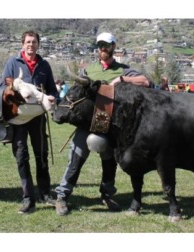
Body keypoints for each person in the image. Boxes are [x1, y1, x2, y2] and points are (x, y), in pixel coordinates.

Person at [54, 32, 151, 216]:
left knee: (109, 161)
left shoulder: (122, 69)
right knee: (76, 158)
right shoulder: (88, 71)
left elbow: (145, 81)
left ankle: (107, 194)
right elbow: (75, 92)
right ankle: (62, 196)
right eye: (100, 45)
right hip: (86, 124)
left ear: (113, 46)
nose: (102, 49)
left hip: (108, 124)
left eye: (106, 45)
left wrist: (121, 80)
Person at [0, 30, 57, 214]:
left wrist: (53, 98)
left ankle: (45, 193)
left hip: (38, 118)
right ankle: (27, 198)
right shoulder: (12, 63)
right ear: (22, 44)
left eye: (34, 42)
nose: (31, 45)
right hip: (18, 119)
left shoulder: (44, 65)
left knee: (41, 155)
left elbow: (53, 91)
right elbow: (2, 88)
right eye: (28, 42)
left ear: (38, 44)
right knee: (21, 156)